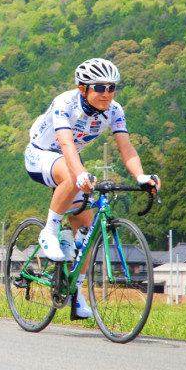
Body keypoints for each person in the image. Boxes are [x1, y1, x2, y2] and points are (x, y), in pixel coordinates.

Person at [24, 58, 160, 318]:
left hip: (71, 159)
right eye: (99, 87)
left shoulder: (115, 110)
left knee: (85, 231)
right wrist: (80, 173)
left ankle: (74, 294)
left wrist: (141, 176)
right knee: (70, 174)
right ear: (83, 88)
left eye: (112, 87)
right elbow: (65, 145)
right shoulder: (65, 103)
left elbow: (126, 148)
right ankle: (49, 232)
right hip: (41, 154)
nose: (107, 93)